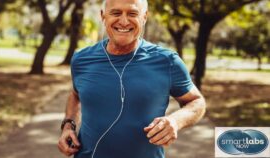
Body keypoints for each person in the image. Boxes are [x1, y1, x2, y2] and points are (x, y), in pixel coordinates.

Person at [58, 0, 206, 158]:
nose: (123, 21)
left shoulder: (167, 61)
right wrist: (68, 126)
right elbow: (75, 94)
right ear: (103, 16)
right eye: (116, 13)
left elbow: (197, 102)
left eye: (132, 13)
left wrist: (176, 121)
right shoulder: (81, 59)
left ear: (144, 17)